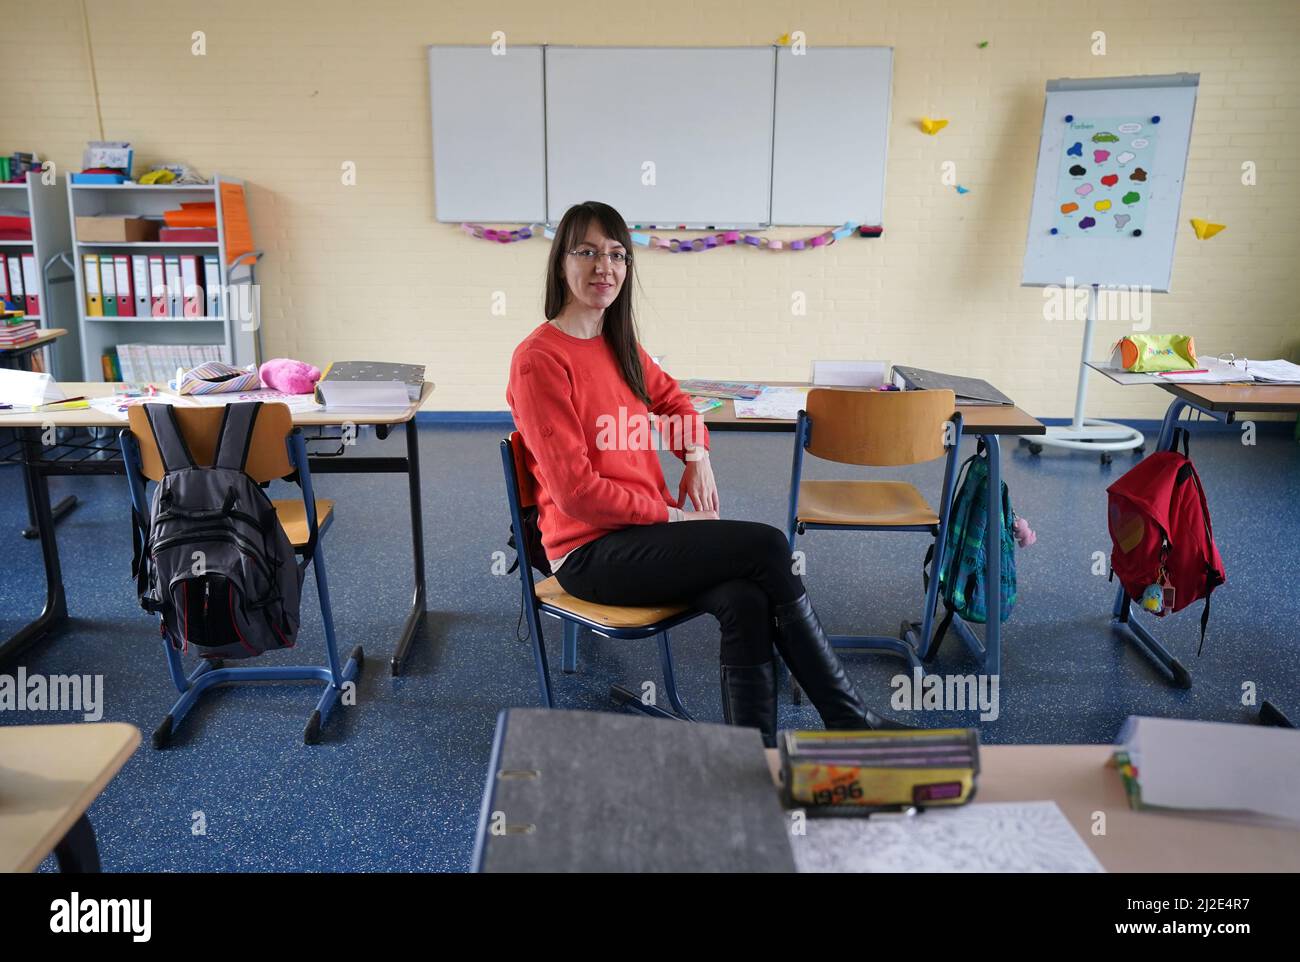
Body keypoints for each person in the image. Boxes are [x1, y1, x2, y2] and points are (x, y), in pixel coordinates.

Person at [506, 200, 906, 746]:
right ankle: (852, 723)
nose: (606, 267)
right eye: (588, 252)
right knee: (766, 546)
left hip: (643, 536)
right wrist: (670, 514)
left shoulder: (616, 344)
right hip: (589, 553)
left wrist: (696, 457)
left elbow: (676, 403)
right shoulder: (539, 360)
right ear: (560, 264)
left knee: (745, 597)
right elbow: (576, 495)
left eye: (618, 254)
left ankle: (752, 758)